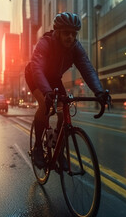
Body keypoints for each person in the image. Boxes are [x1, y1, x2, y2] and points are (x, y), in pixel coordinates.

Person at [24, 12, 109, 169]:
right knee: (44, 105)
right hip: (35, 75)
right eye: (66, 33)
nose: (70, 37)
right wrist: (46, 92)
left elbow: (87, 69)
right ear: (57, 31)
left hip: (54, 78)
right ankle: (37, 148)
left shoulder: (75, 48)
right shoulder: (46, 42)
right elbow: (37, 68)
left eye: (73, 33)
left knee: (64, 111)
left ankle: (59, 151)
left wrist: (99, 92)